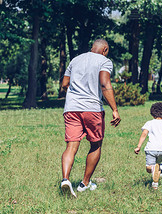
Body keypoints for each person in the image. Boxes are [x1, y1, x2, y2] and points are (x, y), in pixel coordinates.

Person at [60, 39, 121, 197]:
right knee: (95, 144)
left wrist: (75, 95)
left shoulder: (75, 60)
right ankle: (84, 183)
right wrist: (114, 109)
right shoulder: (104, 61)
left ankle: (65, 179)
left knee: (71, 146)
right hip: (92, 108)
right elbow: (105, 84)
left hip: (71, 108)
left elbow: (64, 84)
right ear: (105, 49)